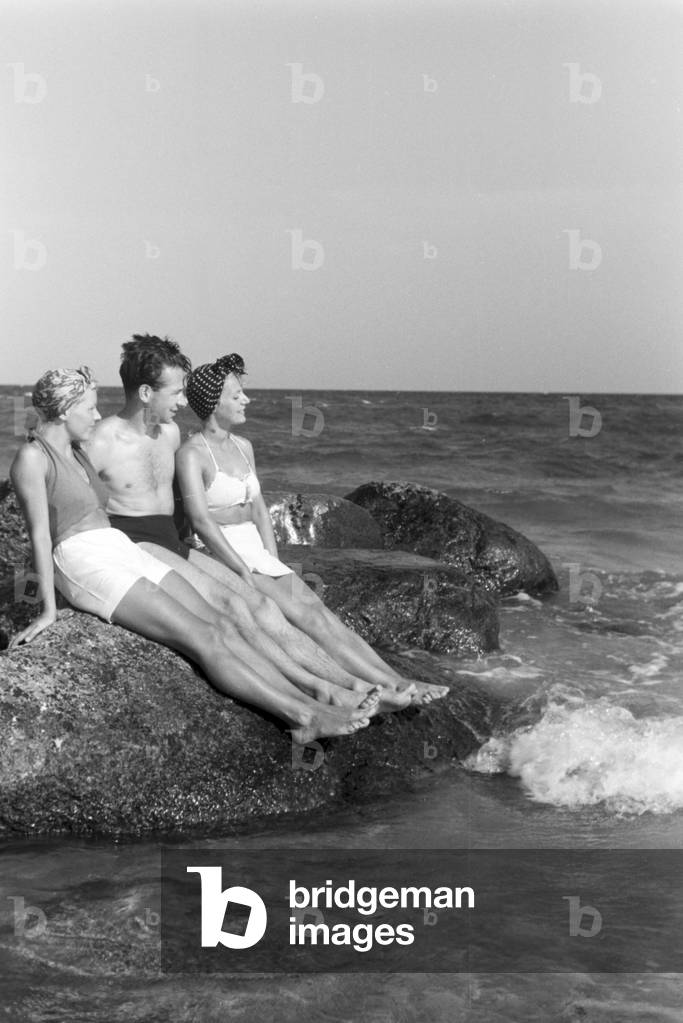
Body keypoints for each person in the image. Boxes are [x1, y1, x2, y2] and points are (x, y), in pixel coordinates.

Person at [8, 366, 377, 742]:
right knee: (204, 637)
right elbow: (39, 534)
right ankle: (300, 716)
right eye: (90, 408)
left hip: (117, 545)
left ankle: (314, 695)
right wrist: (49, 610)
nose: (98, 415)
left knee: (223, 623)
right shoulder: (33, 459)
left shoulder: (77, 452)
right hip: (82, 560)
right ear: (66, 409)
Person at [88, 336, 430, 708]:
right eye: (174, 393)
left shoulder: (169, 434)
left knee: (266, 608)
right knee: (234, 610)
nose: (183, 402)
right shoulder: (100, 440)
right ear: (144, 392)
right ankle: (318, 689)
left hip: (174, 541)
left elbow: (185, 505)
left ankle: (349, 682)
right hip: (137, 543)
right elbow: (77, 509)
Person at [177, 354, 449, 704]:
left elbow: (258, 508)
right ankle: (367, 688)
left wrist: (272, 558)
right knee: (300, 619)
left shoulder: (244, 447)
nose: (247, 400)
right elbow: (200, 520)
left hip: (256, 550)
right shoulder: (192, 454)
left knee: (320, 614)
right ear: (213, 403)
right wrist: (241, 569)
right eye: (237, 395)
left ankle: (394, 680)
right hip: (224, 551)